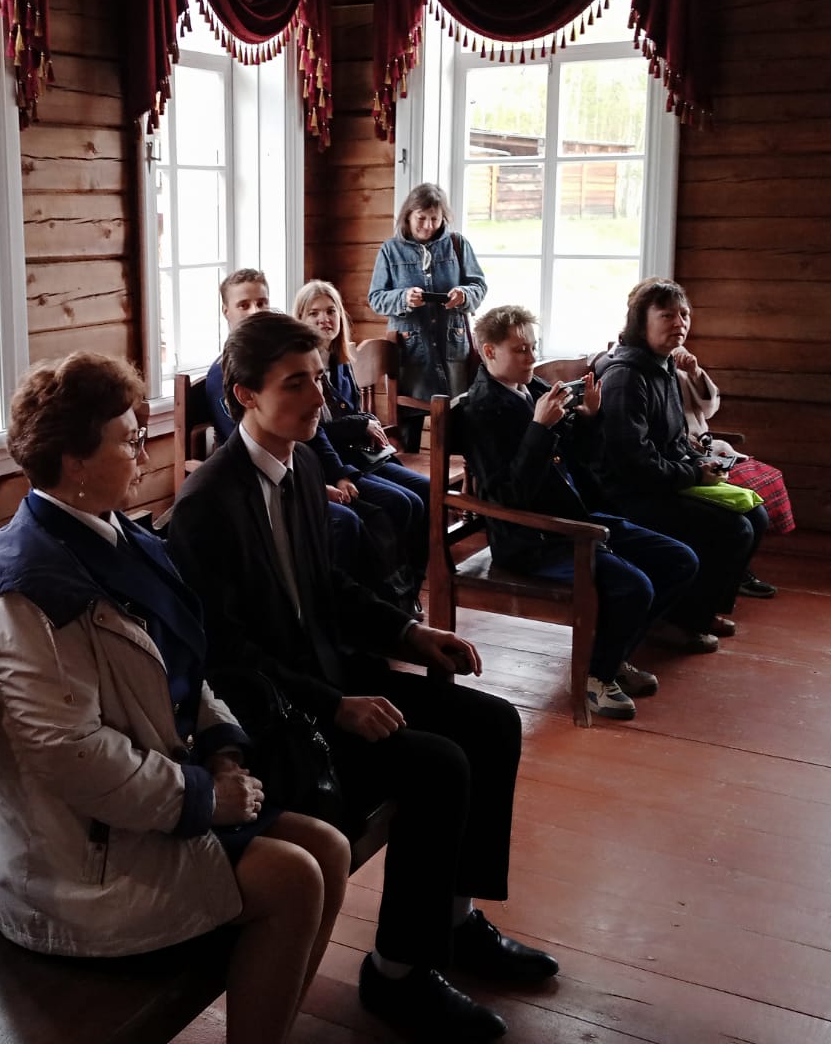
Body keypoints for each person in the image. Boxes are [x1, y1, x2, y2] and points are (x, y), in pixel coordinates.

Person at [169, 310, 558, 1044]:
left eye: (319, 378)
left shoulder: (301, 467)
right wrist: (336, 705)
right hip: (274, 714)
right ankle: (398, 972)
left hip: (327, 679)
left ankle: (455, 919)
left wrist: (410, 632)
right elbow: (227, 656)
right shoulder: (207, 506)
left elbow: (331, 591)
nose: (318, 397)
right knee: (437, 764)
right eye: (294, 383)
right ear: (244, 394)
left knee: (493, 722)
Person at [0, 352, 351, 1044]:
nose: (143, 453)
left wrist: (223, 752)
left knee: (329, 847)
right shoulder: (25, 586)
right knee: (293, 879)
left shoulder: (117, 535)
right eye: (128, 440)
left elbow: (185, 664)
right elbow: (70, 754)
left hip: (138, 802)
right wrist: (203, 798)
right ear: (74, 462)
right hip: (71, 856)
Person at [457, 306, 699, 719]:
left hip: (574, 518)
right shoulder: (481, 410)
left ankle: (612, 655)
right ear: (488, 352)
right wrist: (539, 429)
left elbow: (578, 459)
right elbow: (508, 496)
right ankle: (595, 677)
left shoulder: (532, 388)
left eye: (533, 347)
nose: (532, 358)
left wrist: (588, 418)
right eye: (520, 350)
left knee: (680, 560)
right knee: (634, 587)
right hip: (530, 538)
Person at [596, 280, 770, 652]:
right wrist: (693, 474)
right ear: (641, 321)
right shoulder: (626, 375)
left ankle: (702, 610)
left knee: (755, 514)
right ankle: (677, 620)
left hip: (662, 480)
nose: (680, 323)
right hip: (629, 495)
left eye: (685, 314)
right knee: (733, 529)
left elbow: (675, 441)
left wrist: (702, 463)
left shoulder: (663, 365)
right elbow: (633, 462)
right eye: (667, 315)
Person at [205, 269, 403, 597]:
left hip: (307, 466)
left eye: (262, 302)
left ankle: (387, 600)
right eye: (244, 305)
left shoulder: (288, 360)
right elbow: (248, 448)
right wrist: (317, 487)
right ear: (226, 311)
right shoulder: (224, 374)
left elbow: (313, 434)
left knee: (389, 507)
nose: (255, 311)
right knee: (349, 522)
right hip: (257, 484)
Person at [294, 279, 430, 588]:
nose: (324, 319)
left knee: (425, 490)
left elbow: (354, 413)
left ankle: (415, 580)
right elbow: (314, 432)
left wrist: (364, 423)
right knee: (402, 502)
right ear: (299, 319)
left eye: (331, 311)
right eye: (313, 313)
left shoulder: (340, 360)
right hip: (333, 462)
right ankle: (395, 585)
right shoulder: (304, 367)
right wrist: (358, 425)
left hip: (360, 453)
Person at [367, 182, 488, 452]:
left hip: (453, 349)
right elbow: (376, 298)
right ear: (408, 215)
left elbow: (479, 286)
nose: (428, 225)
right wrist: (403, 298)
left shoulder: (458, 245)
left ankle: (455, 479)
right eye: (421, 218)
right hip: (411, 355)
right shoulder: (390, 250)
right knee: (407, 430)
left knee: (456, 425)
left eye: (435, 219)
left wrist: (464, 294)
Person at [673, 342, 791, 598]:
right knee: (741, 497)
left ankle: (738, 568)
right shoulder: (633, 370)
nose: (678, 327)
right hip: (686, 457)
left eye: (683, 321)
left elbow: (709, 409)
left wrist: (694, 372)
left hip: (705, 448)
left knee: (767, 479)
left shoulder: (679, 364)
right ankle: (734, 572)